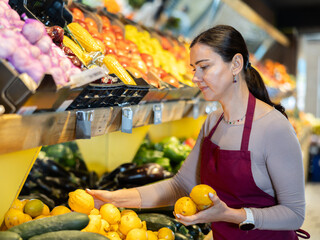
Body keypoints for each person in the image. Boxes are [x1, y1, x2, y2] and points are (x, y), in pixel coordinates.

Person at [87, 25, 310, 239]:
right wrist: (113, 199)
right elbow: (180, 186)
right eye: (194, 69)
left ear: (236, 64)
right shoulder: (213, 123)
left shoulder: (274, 128)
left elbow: (294, 215)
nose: (195, 77)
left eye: (204, 67)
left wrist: (230, 215)